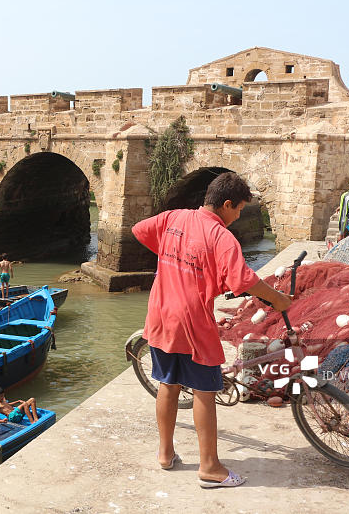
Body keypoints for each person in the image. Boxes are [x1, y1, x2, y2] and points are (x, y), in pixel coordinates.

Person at [131, 172, 291, 489]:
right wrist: (278, 299)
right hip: (192, 322)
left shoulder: (173, 217)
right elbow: (244, 280)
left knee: (168, 383)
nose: (238, 216)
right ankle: (210, 467)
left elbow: (139, 230)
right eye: (239, 210)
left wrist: (171, 257)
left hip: (160, 314)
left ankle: (165, 453)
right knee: (204, 392)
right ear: (227, 204)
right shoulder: (221, 236)